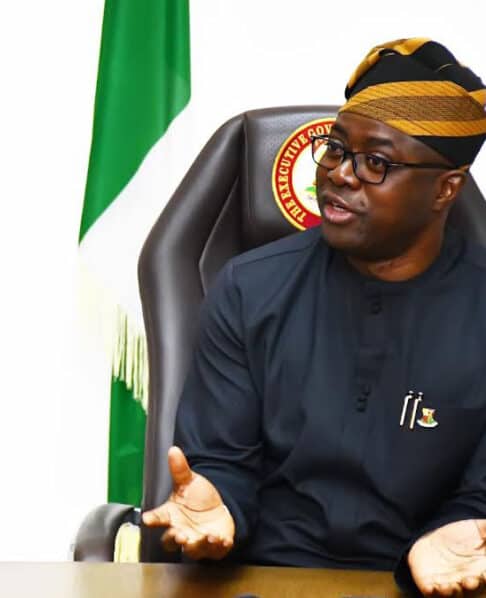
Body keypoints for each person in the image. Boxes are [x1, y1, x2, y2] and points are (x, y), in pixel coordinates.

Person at [142, 38, 486, 597]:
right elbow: (221, 465)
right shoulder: (250, 288)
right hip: (260, 581)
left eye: (376, 163)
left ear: (445, 189)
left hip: (423, 586)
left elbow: (478, 503)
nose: (341, 175)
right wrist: (217, 508)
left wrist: (456, 534)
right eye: (335, 149)